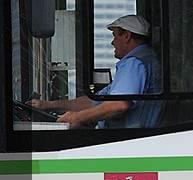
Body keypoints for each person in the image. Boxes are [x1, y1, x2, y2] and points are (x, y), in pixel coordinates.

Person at [29, 14, 162, 129]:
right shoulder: (146, 59)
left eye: (115, 36)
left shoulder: (134, 63)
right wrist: (48, 105)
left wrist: (78, 118)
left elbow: (119, 104)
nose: (112, 43)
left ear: (127, 36)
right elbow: (94, 101)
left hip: (126, 140)